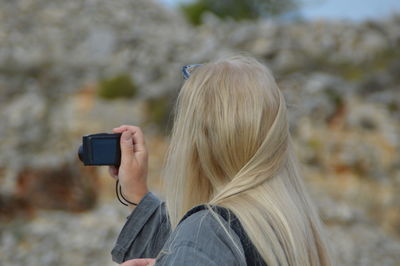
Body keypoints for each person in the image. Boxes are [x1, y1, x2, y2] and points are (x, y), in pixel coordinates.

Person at [108, 56, 332, 266]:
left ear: (198, 142)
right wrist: (137, 194)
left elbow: (203, 243)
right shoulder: (291, 227)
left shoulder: (206, 232)